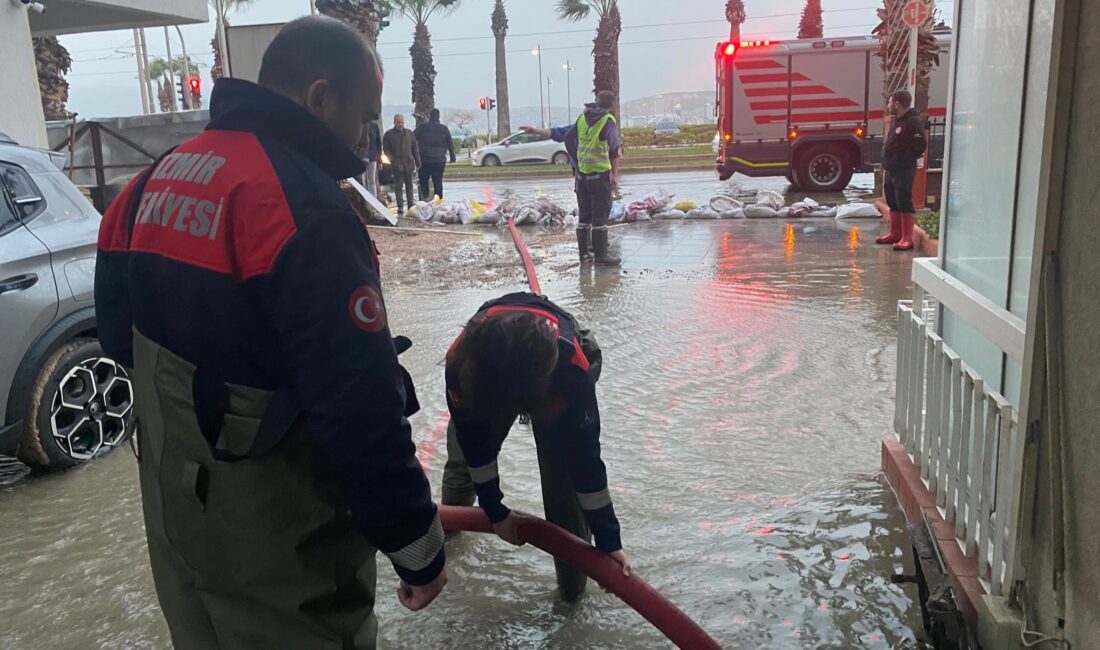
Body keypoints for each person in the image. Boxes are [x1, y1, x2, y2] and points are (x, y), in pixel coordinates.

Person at [94, 16, 446, 649]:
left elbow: (119, 334)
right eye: (365, 120)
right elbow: (358, 405)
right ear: (318, 98)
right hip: (279, 545)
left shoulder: (157, 176)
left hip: (176, 515)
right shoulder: (304, 211)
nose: (368, 140)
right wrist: (417, 545)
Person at [440, 292, 629, 601]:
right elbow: (475, 445)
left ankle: (571, 595)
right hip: (488, 371)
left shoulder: (571, 372)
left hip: (556, 370)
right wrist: (495, 511)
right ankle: (447, 535)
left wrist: (609, 541)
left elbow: (586, 462)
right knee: (463, 466)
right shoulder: (460, 365)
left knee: (563, 487)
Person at [522, 91, 622, 265]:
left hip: (582, 177)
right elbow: (614, 148)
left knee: (584, 216)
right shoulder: (608, 122)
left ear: (596, 103)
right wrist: (614, 173)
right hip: (599, 176)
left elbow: (563, 135)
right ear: (612, 105)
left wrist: (575, 161)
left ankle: (584, 255)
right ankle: (601, 256)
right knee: (600, 215)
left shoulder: (582, 120)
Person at [877, 89, 927, 251]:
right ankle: (895, 233)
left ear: (897, 104)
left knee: (904, 199)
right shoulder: (898, 120)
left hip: (903, 168)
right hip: (892, 168)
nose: (889, 105)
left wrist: (904, 159)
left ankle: (907, 238)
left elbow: (919, 145)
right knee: (893, 199)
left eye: (891, 102)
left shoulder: (913, 122)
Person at [414, 108, 456, 200]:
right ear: (438, 117)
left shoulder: (422, 127)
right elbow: (450, 143)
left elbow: (412, 139)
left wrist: (413, 155)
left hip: (425, 160)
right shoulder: (444, 129)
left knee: (423, 180)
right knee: (438, 181)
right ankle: (438, 200)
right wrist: (452, 157)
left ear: (430, 116)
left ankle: (425, 197)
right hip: (439, 160)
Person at [383, 113, 420, 214]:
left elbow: (414, 148)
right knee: (398, 187)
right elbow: (386, 151)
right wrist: (391, 163)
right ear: (394, 122)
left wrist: (418, 162)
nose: (400, 124)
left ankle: (411, 205)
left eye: (402, 122)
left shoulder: (409, 133)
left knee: (409, 186)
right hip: (397, 165)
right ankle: (400, 206)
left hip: (408, 164)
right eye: (398, 122)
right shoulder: (389, 134)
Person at [357, 120, 382, 195]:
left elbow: (378, 143)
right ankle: (365, 198)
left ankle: (373, 199)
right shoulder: (359, 125)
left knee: (372, 179)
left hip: (372, 156)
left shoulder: (374, 126)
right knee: (363, 179)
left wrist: (379, 158)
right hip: (362, 156)